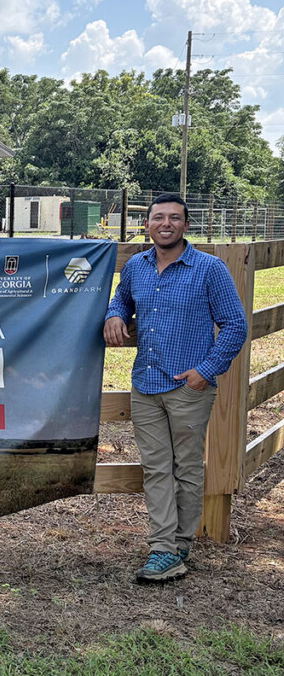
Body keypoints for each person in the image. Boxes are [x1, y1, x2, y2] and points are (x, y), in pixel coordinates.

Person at [104, 192, 247, 582]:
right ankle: (163, 548)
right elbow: (121, 300)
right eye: (158, 218)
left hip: (189, 386)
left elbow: (236, 325)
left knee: (186, 466)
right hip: (145, 383)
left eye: (174, 218)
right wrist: (116, 315)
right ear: (147, 224)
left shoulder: (209, 269)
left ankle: (180, 543)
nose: (165, 224)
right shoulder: (136, 266)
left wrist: (207, 369)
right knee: (155, 468)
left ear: (186, 225)